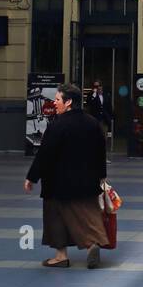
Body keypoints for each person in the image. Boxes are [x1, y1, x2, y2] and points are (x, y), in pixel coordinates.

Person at [24, 82, 108, 268]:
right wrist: (102, 175)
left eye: (57, 99)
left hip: (58, 183)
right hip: (87, 180)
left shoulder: (57, 126)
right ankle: (92, 244)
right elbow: (100, 151)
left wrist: (32, 177)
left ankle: (61, 256)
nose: (54, 103)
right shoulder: (92, 123)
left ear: (68, 102)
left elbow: (45, 154)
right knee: (88, 214)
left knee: (55, 217)